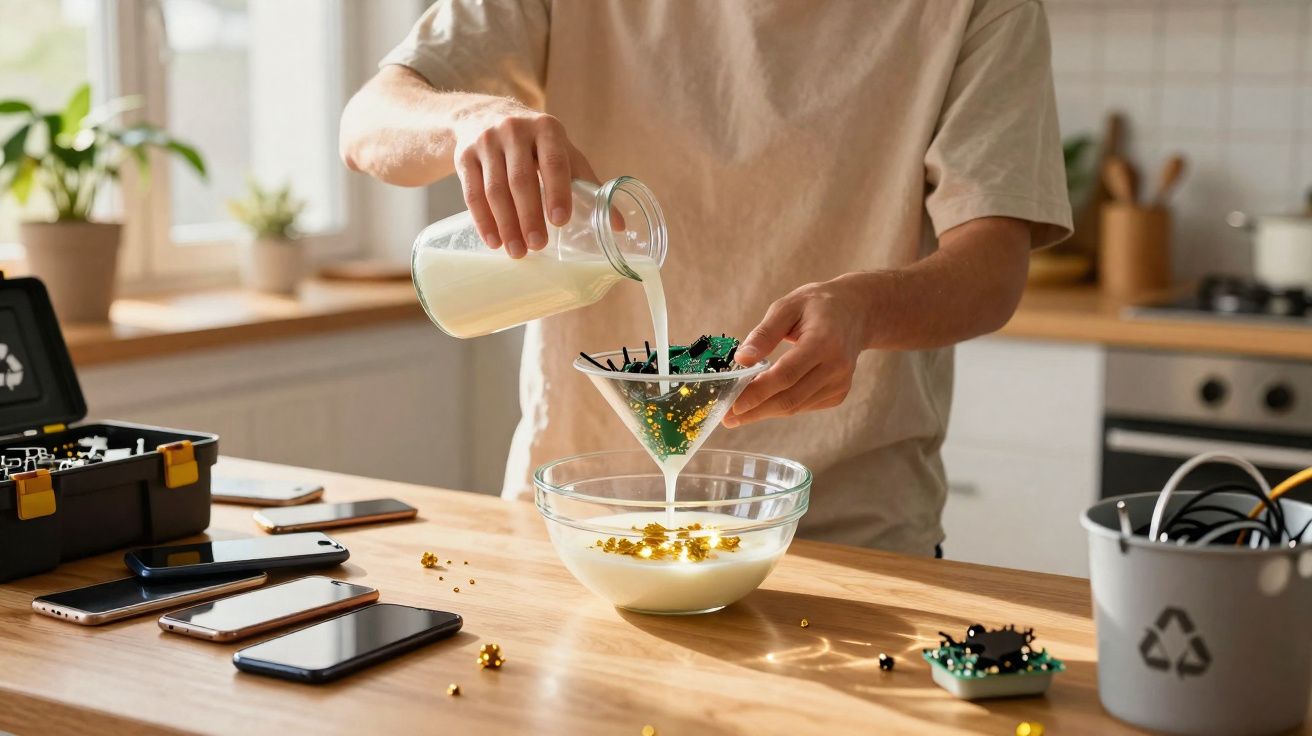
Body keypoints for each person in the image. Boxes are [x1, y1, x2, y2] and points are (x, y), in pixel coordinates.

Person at [340, 1, 1071, 555]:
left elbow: (992, 266)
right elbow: (369, 122)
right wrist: (469, 120)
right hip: (574, 529)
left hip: (847, 538)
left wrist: (864, 310)